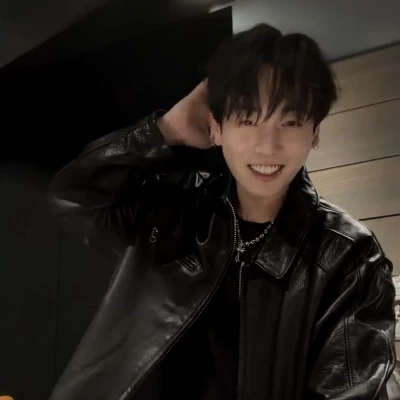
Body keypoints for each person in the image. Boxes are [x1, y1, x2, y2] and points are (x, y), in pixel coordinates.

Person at [48, 23, 396, 400]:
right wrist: (166, 130)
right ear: (216, 128)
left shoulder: (350, 258)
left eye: (291, 122)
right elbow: (74, 195)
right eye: (248, 119)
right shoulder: (174, 210)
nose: (268, 146)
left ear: (314, 133)